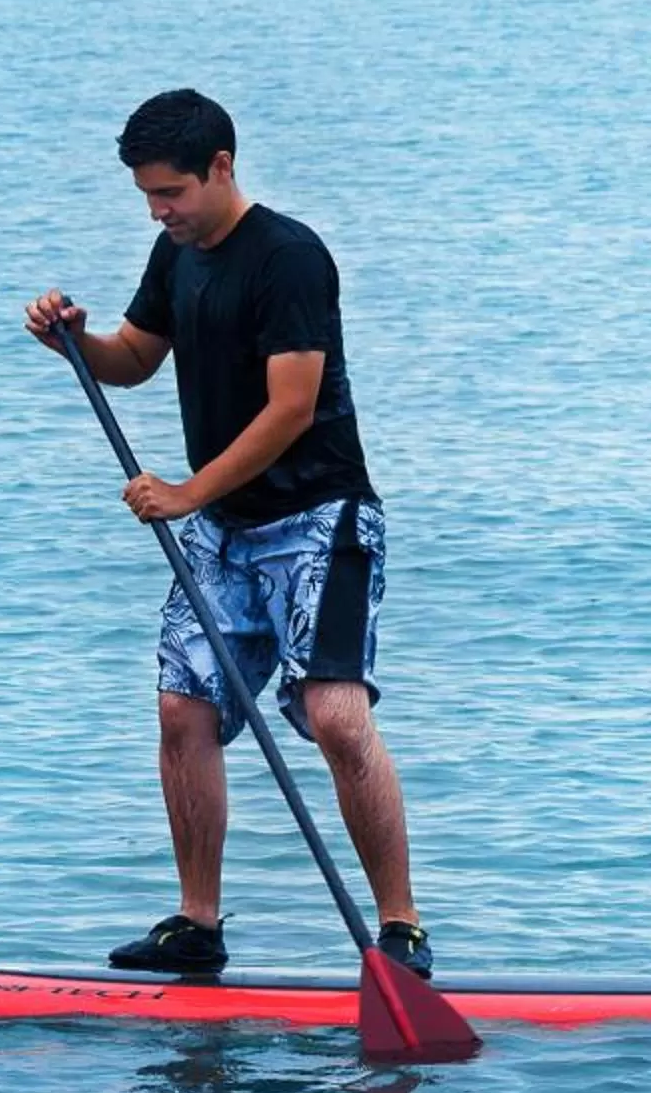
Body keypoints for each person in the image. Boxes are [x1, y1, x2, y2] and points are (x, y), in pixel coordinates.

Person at [26, 88, 433, 979]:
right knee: (184, 709)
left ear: (221, 167)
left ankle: (401, 930)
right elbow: (136, 358)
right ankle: (197, 925)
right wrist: (75, 341)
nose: (158, 211)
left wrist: (185, 493)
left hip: (321, 518)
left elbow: (291, 409)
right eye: (147, 196)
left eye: (170, 192)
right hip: (226, 524)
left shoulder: (289, 258)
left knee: (334, 716)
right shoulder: (176, 255)